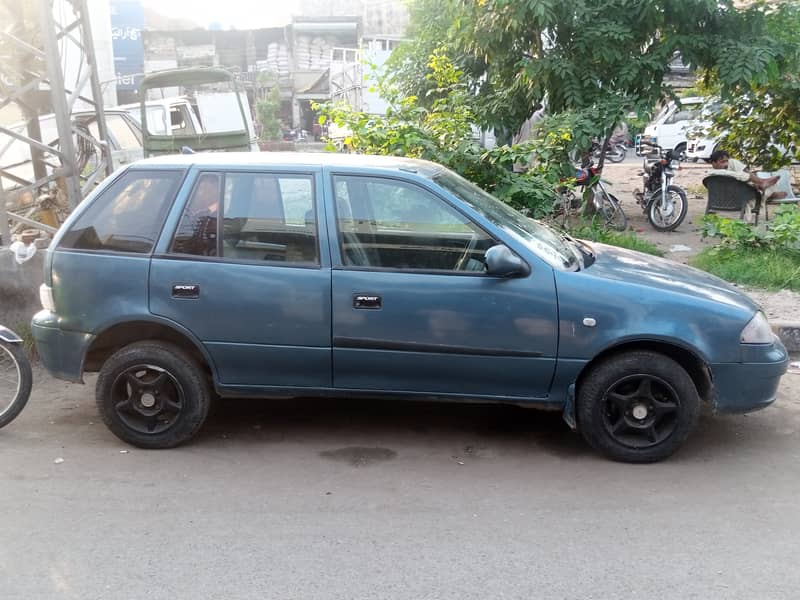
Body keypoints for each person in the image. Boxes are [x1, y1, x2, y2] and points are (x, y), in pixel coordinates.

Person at [709, 150, 786, 201]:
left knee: (734, 164)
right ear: (713, 163)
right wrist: (748, 179)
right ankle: (764, 187)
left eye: (726, 161)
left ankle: (763, 188)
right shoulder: (712, 174)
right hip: (734, 198)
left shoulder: (721, 173)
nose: (726, 164)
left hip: (739, 192)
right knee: (740, 173)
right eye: (722, 162)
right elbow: (742, 176)